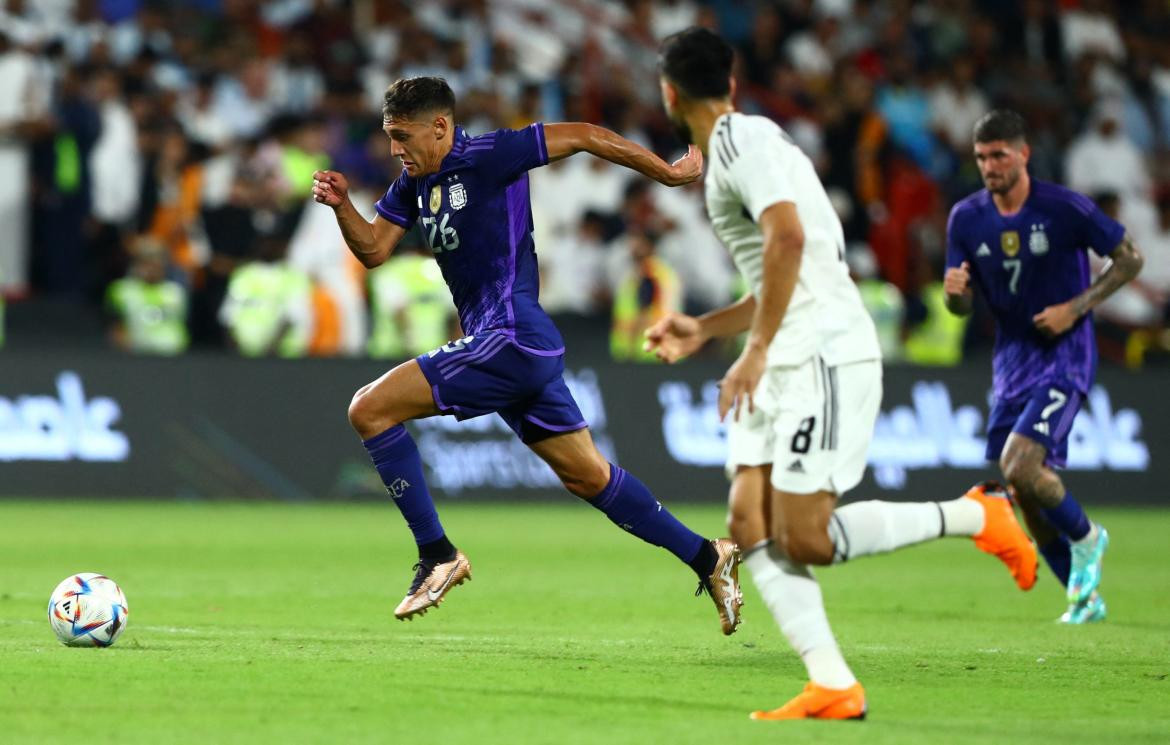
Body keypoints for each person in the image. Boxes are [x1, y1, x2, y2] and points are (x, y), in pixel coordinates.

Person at [645, 28, 1038, 722]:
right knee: (747, 518)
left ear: (669, 93)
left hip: (820, 351)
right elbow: (777, 272)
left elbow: (789, 241)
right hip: (786, 347)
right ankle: (832, 682)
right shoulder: (744, 148)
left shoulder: (742, 144)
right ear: (728, 84)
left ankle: (979, 513)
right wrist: (705, 328)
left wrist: (756, 350)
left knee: (806, 538)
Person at [310, 76, 742, 633]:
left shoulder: (492, 155)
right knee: (591, 479)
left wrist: (667, 171)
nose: (394, 148)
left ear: (440, 127)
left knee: (368, 409)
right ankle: (708, 557)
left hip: (510, 336)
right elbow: (373, 249)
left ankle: (438, 553)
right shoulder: (412, 184)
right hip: (511, 349)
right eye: (389, 135)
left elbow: (584, 135)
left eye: (402, 135)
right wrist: (344, 205)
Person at [944, 109, 1145, 624]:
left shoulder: (1064, 208)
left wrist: (1075, 308)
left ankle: (1087, 535)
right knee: (1025, 492)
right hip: (1011, 361)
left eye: (1000, 155)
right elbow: (961, 306)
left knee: (1019, 464)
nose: (990, 166)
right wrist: (957, 297)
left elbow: (1129, 259)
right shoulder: (966, 218)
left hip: (1066, 354)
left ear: (1024, 153)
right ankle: (1083, 598)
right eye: (982, 157)